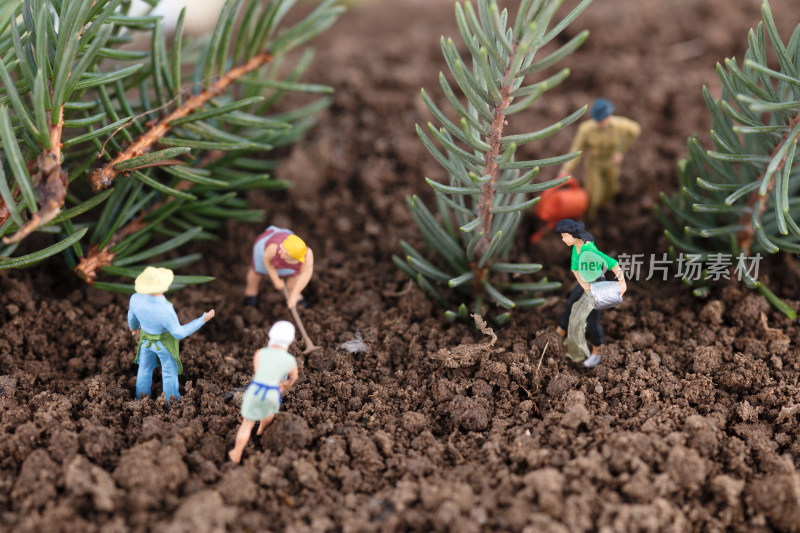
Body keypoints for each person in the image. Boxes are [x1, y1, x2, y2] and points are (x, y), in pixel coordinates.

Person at [128, 267, 215, 403]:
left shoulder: (135, 299)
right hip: (163, 344)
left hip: (145, 341)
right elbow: (178, 333)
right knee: (169, 372)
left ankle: (141, 398)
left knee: (144, 368)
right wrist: (202, 320)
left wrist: (133, 328)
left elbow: (132, 318)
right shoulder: (165, 309)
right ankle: (171, 401)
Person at [555, 219, 626, 368]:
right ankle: (557, 337)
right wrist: (583, 285)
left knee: (592, 321)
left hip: (597, 285)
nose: (562, 239)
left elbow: (611, 263)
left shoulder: (589, 250)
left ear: (573, 235)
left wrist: (622, 282)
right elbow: (574, 268)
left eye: (564, 236)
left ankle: (596, 353)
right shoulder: (576, 247)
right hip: (586, 283)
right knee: (570, 305)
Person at [229, 321, 299, 464]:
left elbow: (257, 371)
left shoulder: (260, 353)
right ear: (290, 340)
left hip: (256, 389)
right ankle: (261, 431)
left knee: (247, 424)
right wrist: (285, 385)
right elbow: (293, 377)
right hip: (272, 392)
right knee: (268, 416)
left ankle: (237, 453)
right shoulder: (290, 360)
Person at [559, 98, 641, 220]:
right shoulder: (586, 130)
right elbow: (576, 150)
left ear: (608, 117)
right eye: (597, 120)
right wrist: (566, 169)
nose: (599, 123)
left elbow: (635, 130)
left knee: (612, 188)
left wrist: (620, 151)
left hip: (611, 162)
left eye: (602, 120)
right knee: (593, 195)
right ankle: (589, 218)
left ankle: (607, 211)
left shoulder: (620, 125)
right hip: (594, 163)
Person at [244, 226, 314, 309]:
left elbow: (305, 274)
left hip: (286, 265)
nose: (280, 251)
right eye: (281, 248)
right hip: (264, 254)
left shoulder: (308, 255)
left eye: (284, 252)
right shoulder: (274, 248)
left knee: (295, 279)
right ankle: (251, 292)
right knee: (256, 272)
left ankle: (293, 293)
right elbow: (267, 262)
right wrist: (276, 279)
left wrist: (294, 295)